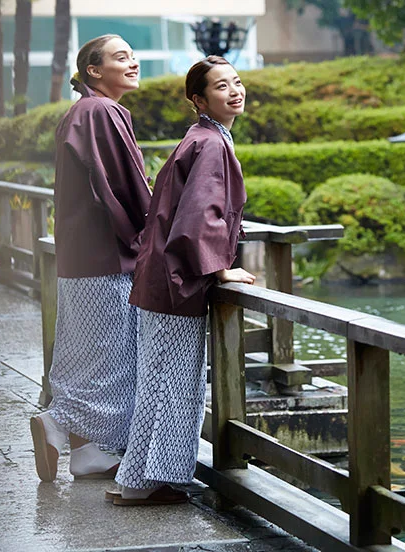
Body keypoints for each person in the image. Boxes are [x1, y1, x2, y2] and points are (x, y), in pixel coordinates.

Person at [111, 55, 255, 506]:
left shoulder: (202, 137)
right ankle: (154, 482)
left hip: (161, 275)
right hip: (178, 280)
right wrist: (220, 269)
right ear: (199, 100)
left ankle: (137, 482)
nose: (234, 91)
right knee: (173, 382)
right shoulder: (211, 144)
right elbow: (199, 217)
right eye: (221, 86)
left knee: (157, 380)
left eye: (236, 82)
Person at [30, 35, 151, 482]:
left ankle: (86, 453)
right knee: (111, 357)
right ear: (94, 71)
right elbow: (122, 186)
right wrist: (154, 233)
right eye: (121, 57)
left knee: (87, 354)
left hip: (79, 258)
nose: (133, 63)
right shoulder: (102, 111)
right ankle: (58, 422)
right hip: (106, 257)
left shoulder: (81, 111)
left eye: (133, 56)